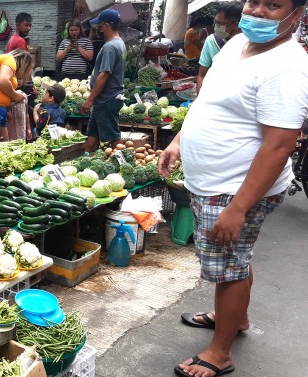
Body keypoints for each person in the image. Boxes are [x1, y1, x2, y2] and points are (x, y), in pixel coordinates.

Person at [158, 0, 308, 375]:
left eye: (272, 5)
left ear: (297, 15)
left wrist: (238, 208)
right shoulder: (236, 45)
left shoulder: (288, 67)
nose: (257, 11)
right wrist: (179, 139)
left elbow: (278, 145)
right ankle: (233, 318)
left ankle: (219, 354)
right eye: (253, 1)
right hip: (214, 183)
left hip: (234, 188)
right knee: (235, 259)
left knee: (229, 268)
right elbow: (206, 101)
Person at [79, 9, 126, 153]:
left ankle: (123, 166)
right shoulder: (120, 43)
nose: (97, 27)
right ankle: (85, 159)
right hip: (104, 99)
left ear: (106, 25)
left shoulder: (110, 47)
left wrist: (90, 99)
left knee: (113, 136)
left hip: (107, 98)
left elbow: (104, 74)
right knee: (93, 133)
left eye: (99, 24)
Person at [197, 1, 243, 94]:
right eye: (215, 22)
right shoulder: (211, 41)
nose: (216, 27)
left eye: (220, 24)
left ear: (235, 24)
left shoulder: (250, 44)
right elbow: (201, 75)